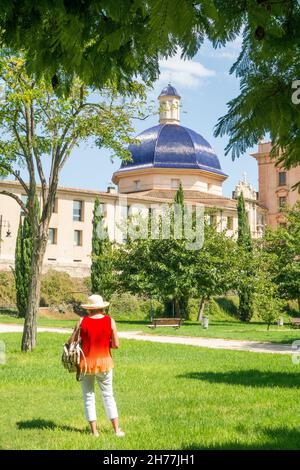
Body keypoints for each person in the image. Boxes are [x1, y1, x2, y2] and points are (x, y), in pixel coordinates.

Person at [69, 294, 124, 438]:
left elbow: (71, 343)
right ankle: (117, 430)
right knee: (108, 396)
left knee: (88, 396)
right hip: (105, 363)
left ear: (89, 308)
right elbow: (116, 345)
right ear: (102, 307)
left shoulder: (81, 321)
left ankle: (94, 432)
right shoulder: (110, 321)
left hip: (86, 364)